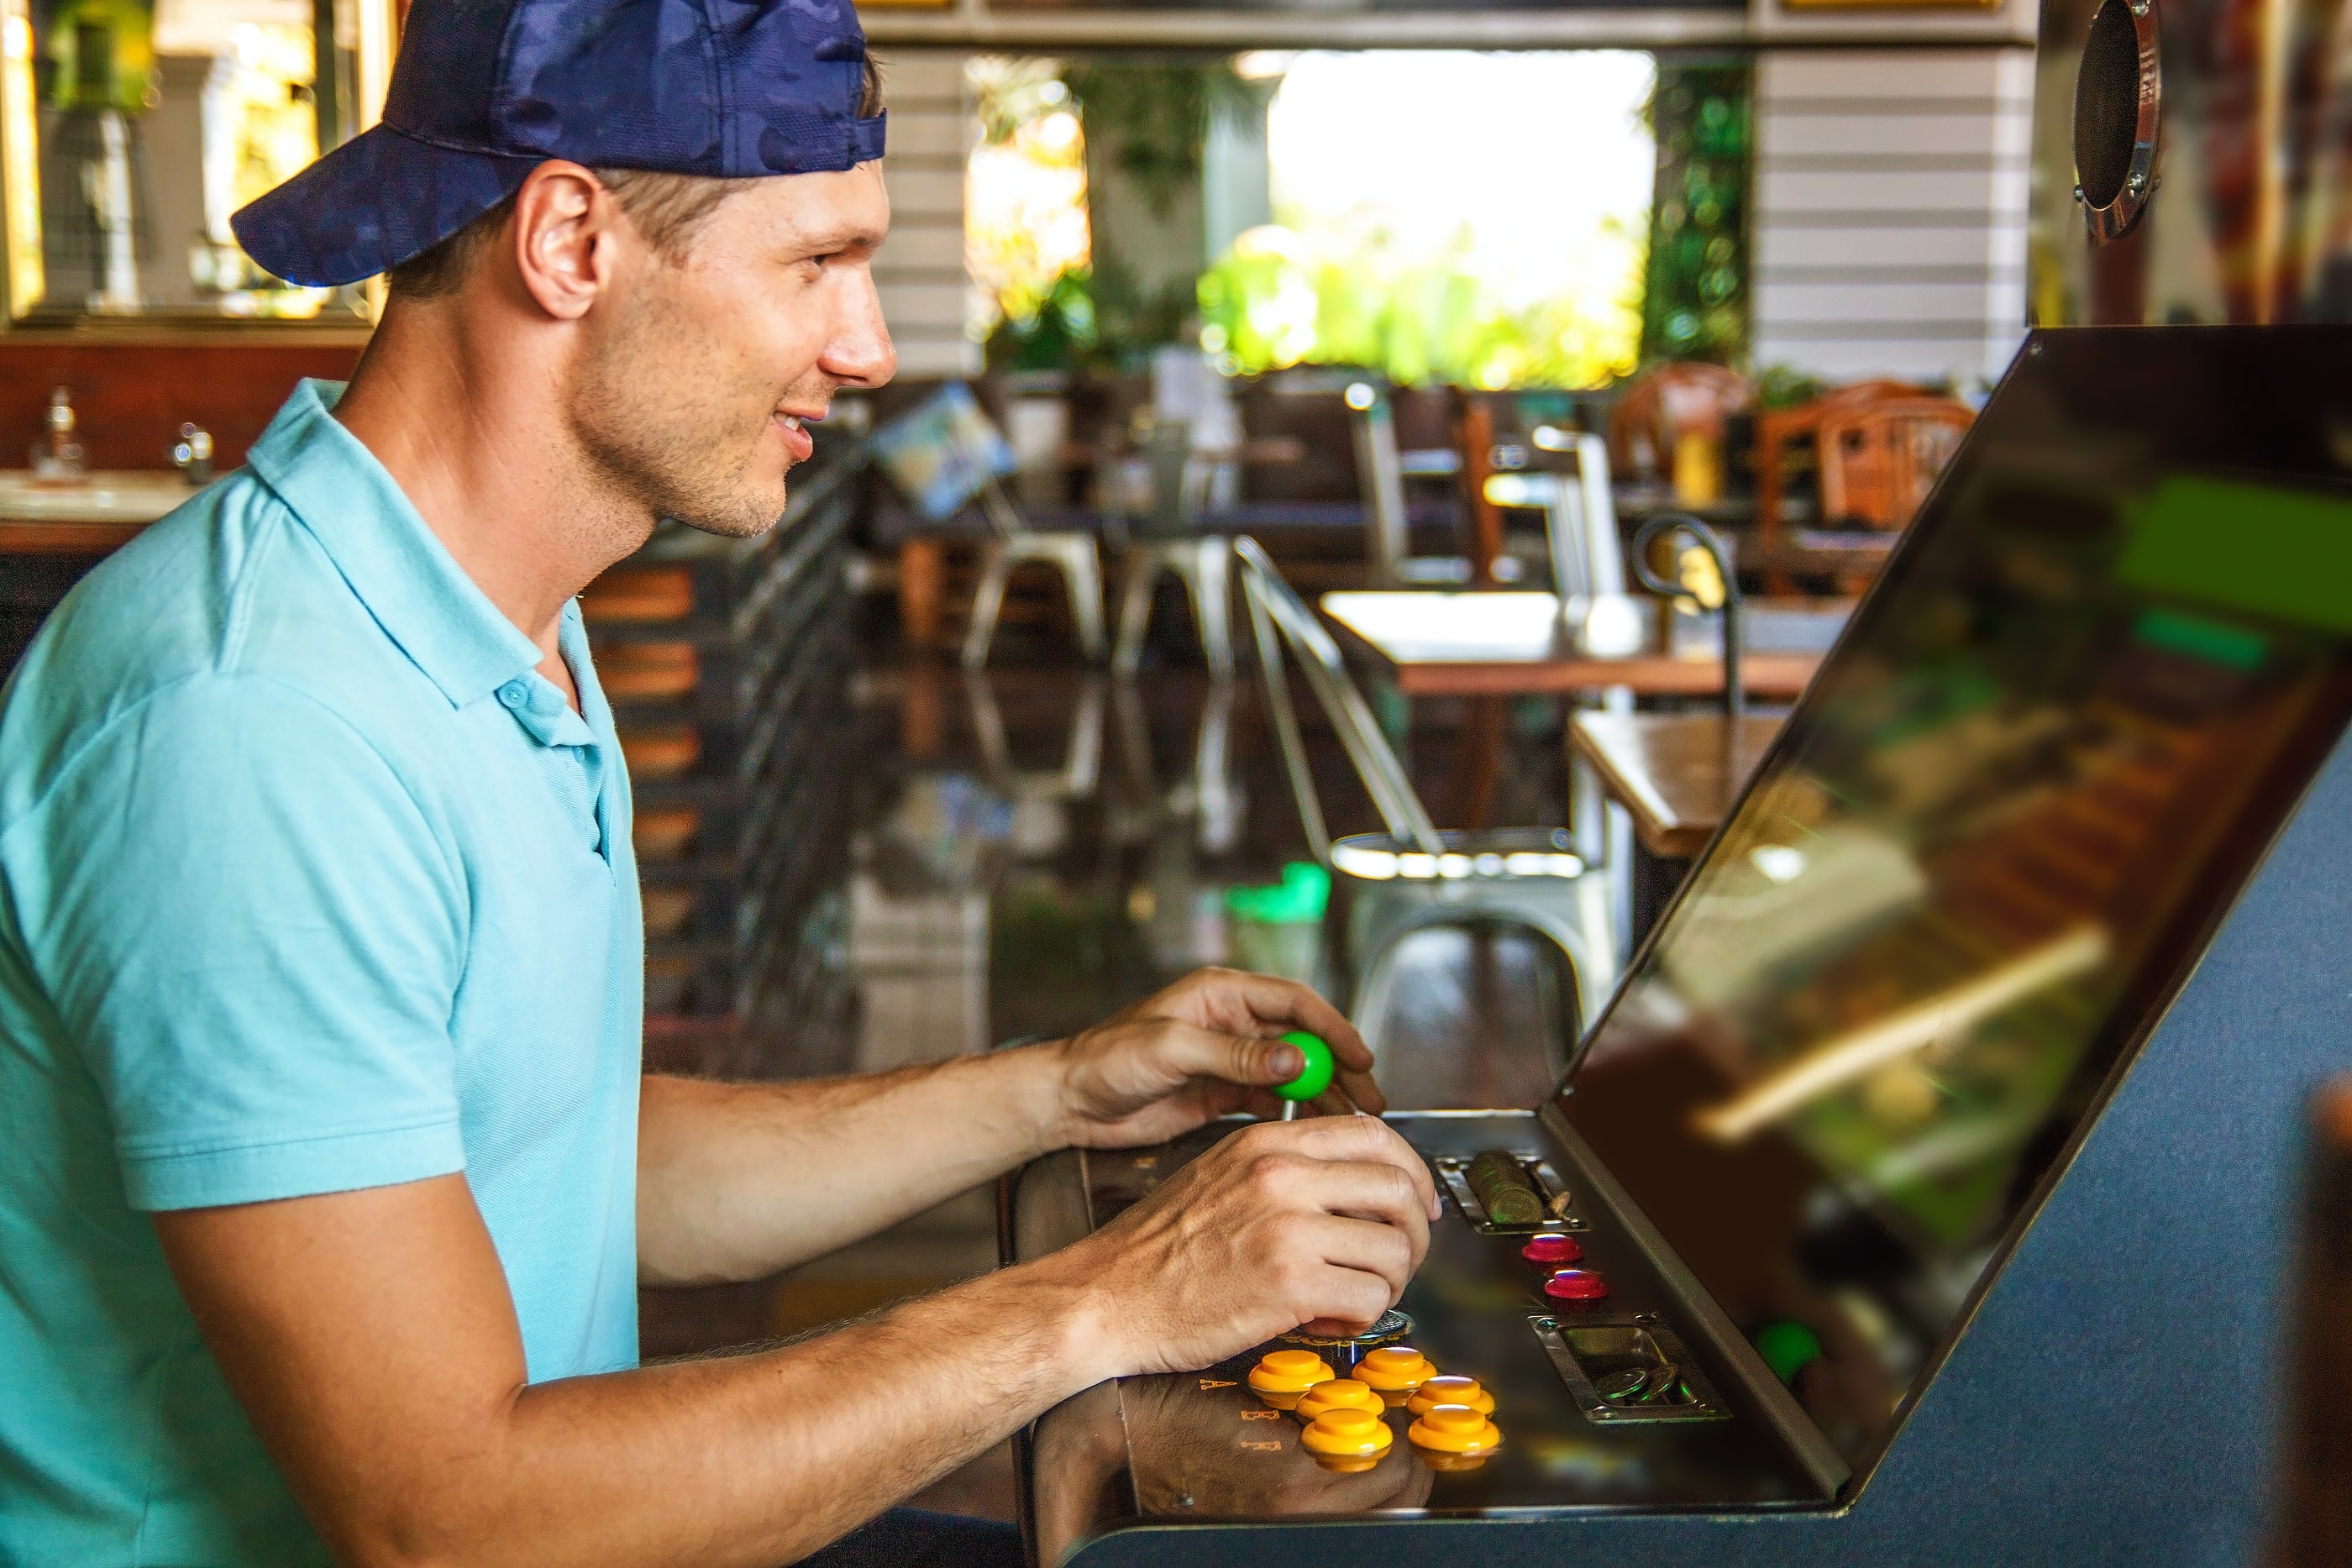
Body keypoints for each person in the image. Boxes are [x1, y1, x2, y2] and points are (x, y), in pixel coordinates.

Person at [0, 1, 1440, 1564]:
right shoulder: (257, 730)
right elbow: (447, 1521)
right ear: (569, 243)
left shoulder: (493, 623)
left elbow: (552, 1154)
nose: (869, 347)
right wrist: (1109, 1300)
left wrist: (1058, 1088)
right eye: (814, 262)